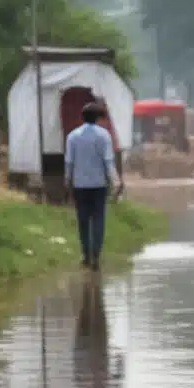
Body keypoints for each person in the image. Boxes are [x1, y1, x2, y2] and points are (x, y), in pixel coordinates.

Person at [65, 102, 120, 270]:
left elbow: (69, 161)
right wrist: (116, 182)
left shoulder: (73, 136)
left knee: (82, 220)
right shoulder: (104, 136)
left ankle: (85, 254)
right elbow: (108, 161)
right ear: (97, 118)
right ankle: (96, 254)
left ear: (82, 117)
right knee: (98, 220)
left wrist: (67, 181)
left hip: (80, 185)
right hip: (98, 185)